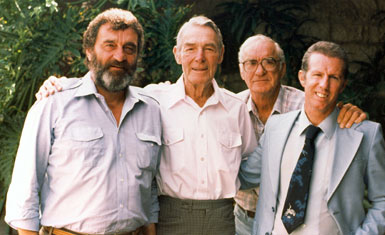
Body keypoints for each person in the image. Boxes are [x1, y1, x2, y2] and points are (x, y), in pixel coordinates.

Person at [34, 16, 257, 235]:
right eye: (190, 48)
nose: (200, 57)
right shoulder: (153, 101)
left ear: (220, 55)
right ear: (177, 54)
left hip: (222, 220)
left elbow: (248, 163)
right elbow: (106, 86)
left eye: (209, 48)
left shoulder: (236, 108)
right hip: (171, 217)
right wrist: (62, 84)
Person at [5, 8, 161, 235]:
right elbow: (24, 190)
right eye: (110, 45)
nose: (120, 56)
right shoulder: (54, 104)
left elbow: (150, 191)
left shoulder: (151, 111)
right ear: (89, 51)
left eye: (129, 48)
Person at [239, 41, 385, 235]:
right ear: (302, 78)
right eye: (317, 75)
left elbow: (384, 199)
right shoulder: (275, 127)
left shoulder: (365, 135)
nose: (324, 84)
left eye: (334, 77)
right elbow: (243, 177)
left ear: (343, 84)